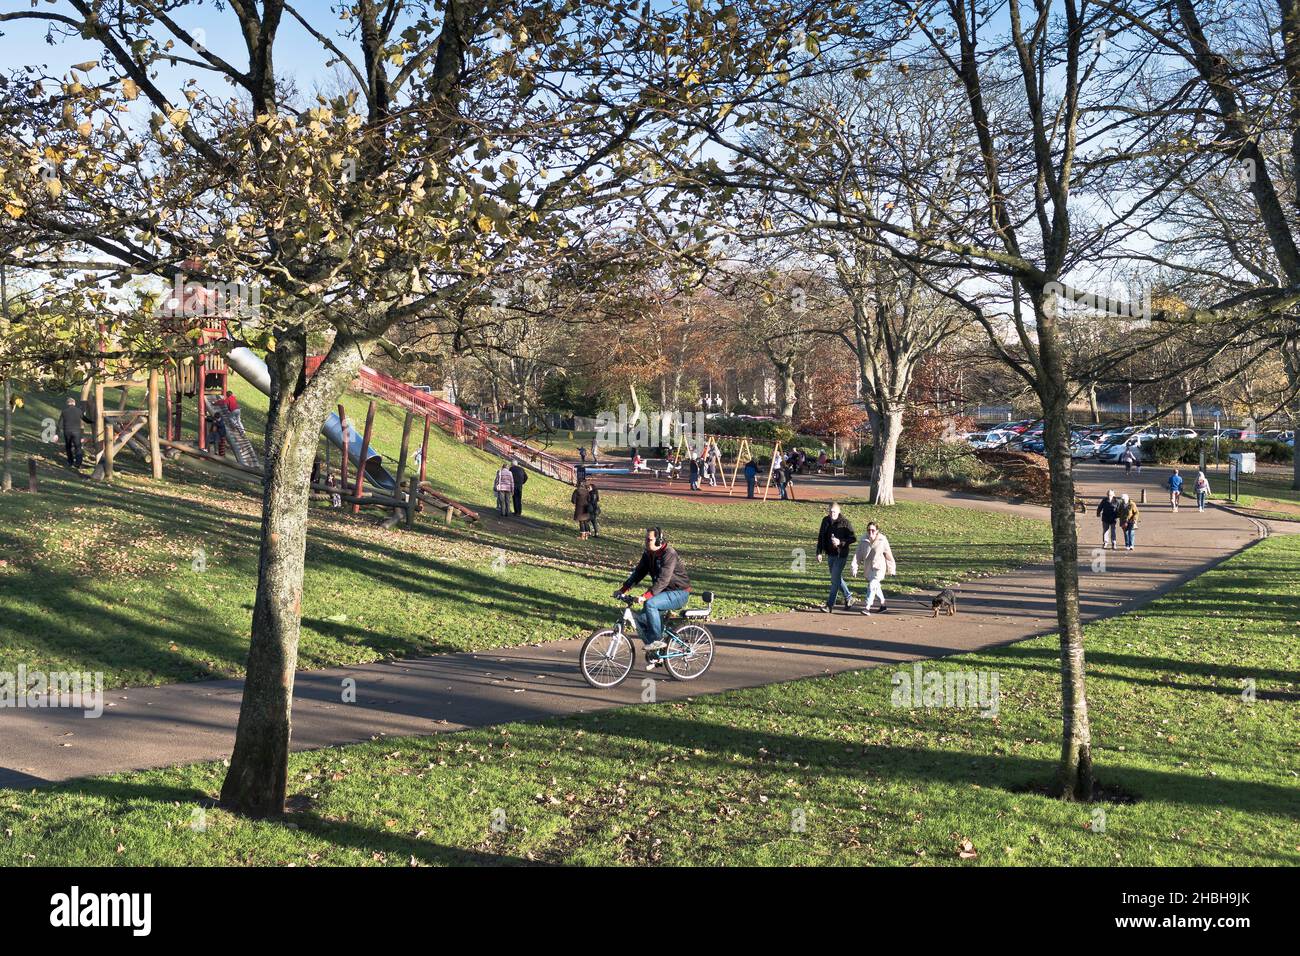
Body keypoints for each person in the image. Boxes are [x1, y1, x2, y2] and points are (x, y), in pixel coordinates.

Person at [613, 527, 691, 661]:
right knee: (643, 619)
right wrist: (623, 590)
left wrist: (645, 596)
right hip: (663, 592)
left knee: (650, 604)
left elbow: (663, 580)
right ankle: (658, 654)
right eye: (645, 539)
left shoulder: (669, 554)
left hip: (679, 592)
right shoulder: (648, 554)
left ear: (658, 541)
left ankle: (655, 642)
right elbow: (638, 573)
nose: (646, 542)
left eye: (649, 540)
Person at [815, 502, 857, 612]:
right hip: (830, 553)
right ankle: (849, 597)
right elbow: (821, 536)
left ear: (839, 512)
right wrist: (819, 552)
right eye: (830, 511)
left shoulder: (845, 522)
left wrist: (841, 542)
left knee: (834, 579)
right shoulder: (825, 521)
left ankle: (829, 605)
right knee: (837, 578)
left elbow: (853, 538)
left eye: (834, 511)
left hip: (841, 554)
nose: (831, 513)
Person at [852, 522, 896, 614]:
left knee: (872, 585)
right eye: (869, 530)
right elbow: (858, 555)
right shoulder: (863, 540)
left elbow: (888, 555)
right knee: (876, 587)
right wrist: (854, 567)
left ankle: (867, 607)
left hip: (879, 568)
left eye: (873, 530)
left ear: (877, 531)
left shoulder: (882, 540)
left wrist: (891, 569)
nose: (870, 532)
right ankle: (883, 605)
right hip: (868, 568)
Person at [57, 397, 84, 469]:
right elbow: (83, 422)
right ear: (74, 403)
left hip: (67, 431)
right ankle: (78, 463)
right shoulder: (79, 411)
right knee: (78, 447)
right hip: (77, 431)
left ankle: (70, 462)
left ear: (67, 403)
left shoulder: (64, 411)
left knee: (68, 447)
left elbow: (60, 423)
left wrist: (57, 433)